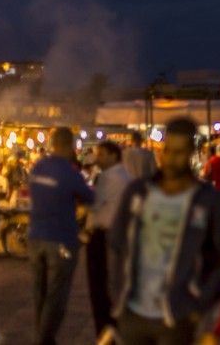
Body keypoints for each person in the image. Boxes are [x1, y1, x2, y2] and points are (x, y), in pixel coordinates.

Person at [109, 118, 220, 344]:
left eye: (179, 152)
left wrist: (201, 302)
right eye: (168, 151)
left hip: (177, 316)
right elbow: (116, 243)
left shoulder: (207, 201)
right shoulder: (139, 193)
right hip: (133, 315)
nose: (171, 159)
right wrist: (118, 295)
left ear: (191, 153)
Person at [27, 127, 95, 345]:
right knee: (56, 296)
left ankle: (43, 337)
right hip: (60, 240)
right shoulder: (69, 172)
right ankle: (43, 340)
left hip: (35, 238)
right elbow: (90, 198)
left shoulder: (38, 166)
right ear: (69, 146)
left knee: (40, 293)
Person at [85, 140, 131, 339]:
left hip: (104, 234)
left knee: (100, 290)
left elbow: (94, 205)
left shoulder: (109, 177)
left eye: (102, 154)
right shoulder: (125, 176)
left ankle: (105, 332)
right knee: (113, 286)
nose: (99, 158)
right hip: (119, 234)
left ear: (114, 155)